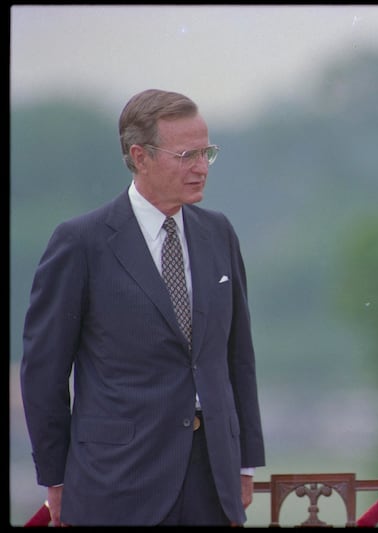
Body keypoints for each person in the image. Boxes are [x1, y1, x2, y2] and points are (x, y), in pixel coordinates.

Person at [19, 89, 266, 526]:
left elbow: (237, 357)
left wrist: (245, 463)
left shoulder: (219, 233)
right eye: (187, 154)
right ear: (141, 156)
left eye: (207, 152)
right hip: (116, 483)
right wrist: (56, 478)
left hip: (213, 481)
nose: (201, 167)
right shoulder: (81, 243)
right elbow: (44, 372)